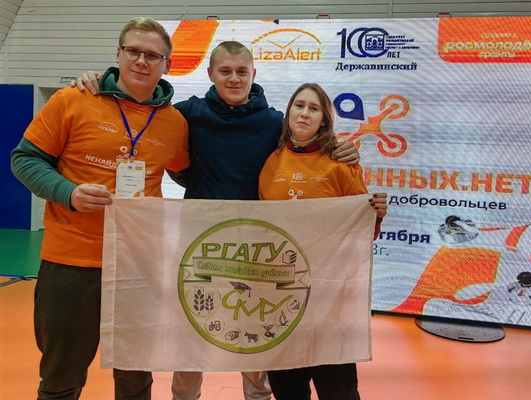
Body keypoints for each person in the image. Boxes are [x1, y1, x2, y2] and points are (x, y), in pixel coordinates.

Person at [73, 40, 360, 400]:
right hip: (199, 244)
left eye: (241, 72)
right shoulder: (187, 114)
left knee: (256, 329)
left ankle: (258, 397)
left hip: (257, 249)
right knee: (192, 330)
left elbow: (306, 146)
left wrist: (341, 147)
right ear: (210, 73)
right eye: (225, 71)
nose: (234, 78)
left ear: (253, 74)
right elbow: (139, 112)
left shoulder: (274, 122)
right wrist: (104, 83)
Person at [11, 17, 189, 400]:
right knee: (61, 377)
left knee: (135, 379)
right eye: (133, 51)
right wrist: (67, 192)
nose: (141, 61)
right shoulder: (72, 100)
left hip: (138, 266)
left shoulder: (175, 123)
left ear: (167, 64)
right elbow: (24, 159)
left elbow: (192, 173)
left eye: (152, 55)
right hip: (71, 263)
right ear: (118, 54)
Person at [258, 83, 387, 400]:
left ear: (324, 120)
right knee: (287, 387)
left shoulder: (340, 163)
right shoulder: (271, 162)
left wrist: (376, 214)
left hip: (329, 299)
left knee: (337, 389)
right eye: (299, 105)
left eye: (313, 108)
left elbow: (363, 229)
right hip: (281, 297)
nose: (304, 113)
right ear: (288, 113)